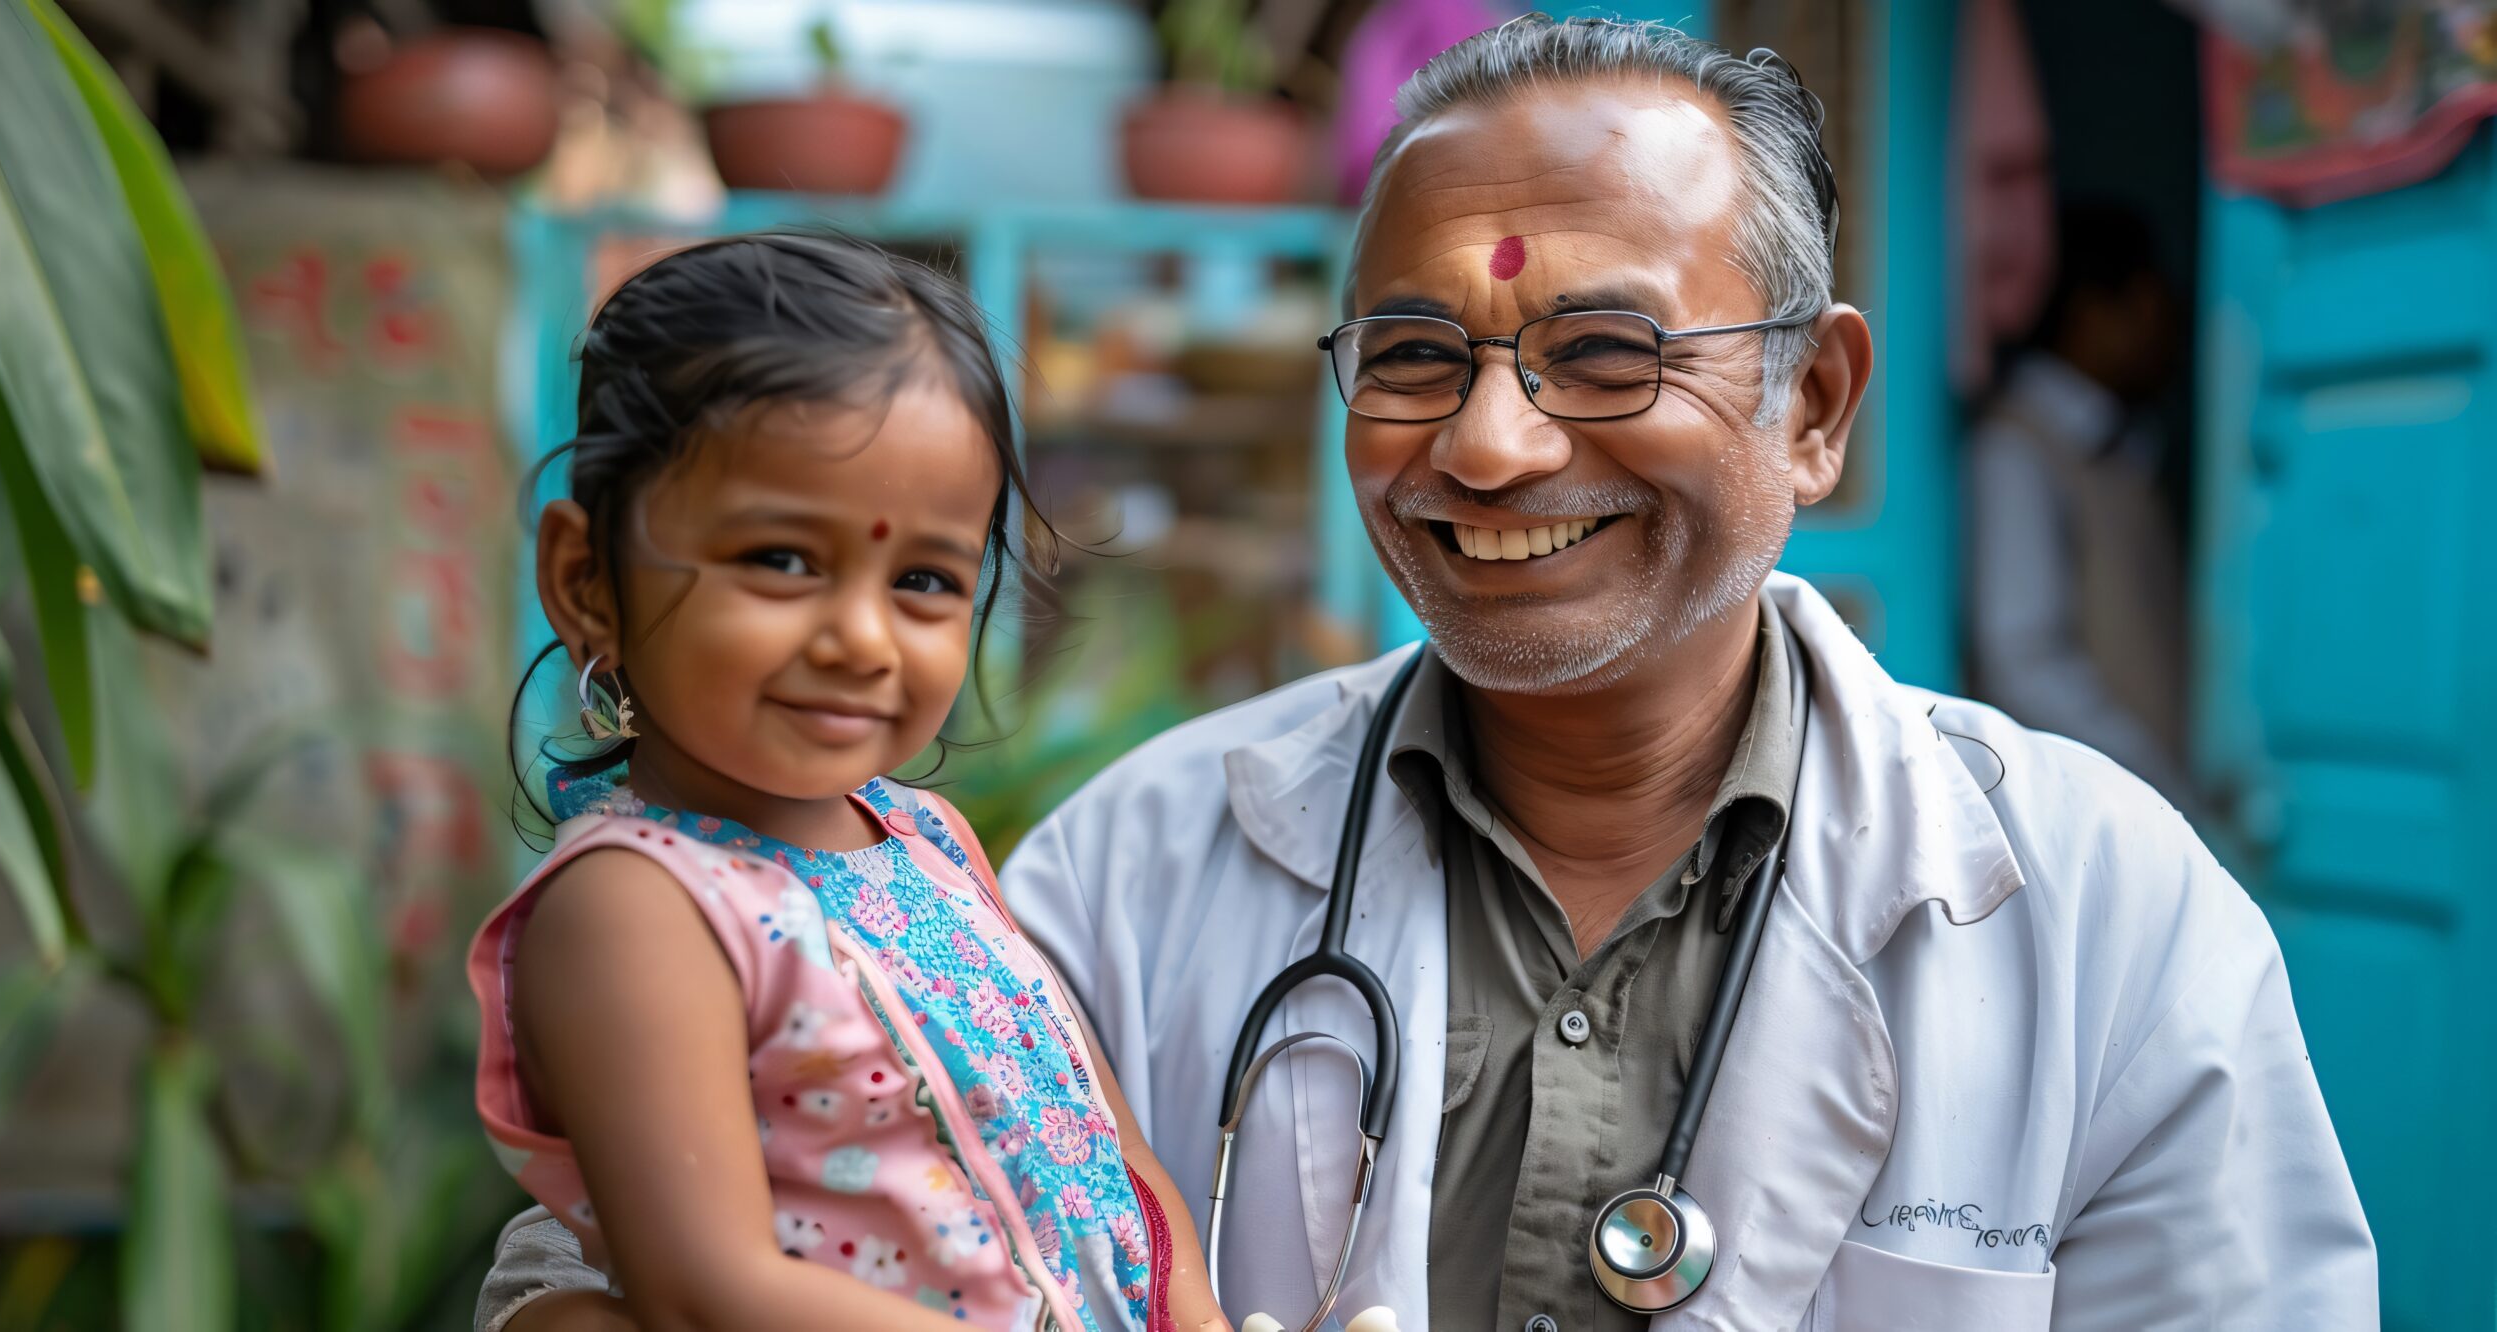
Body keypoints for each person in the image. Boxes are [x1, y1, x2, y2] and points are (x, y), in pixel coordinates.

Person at [481, 18, 2376, 1331]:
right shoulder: (1130, 868)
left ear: (1813, 406)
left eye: (1606, 351)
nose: (1485, 444)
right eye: (1409, 354)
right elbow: (697, 1216)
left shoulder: (2114, 921)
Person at [467, 234, 1224, 1332]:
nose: (862, 640)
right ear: (586, 581)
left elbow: (1103, 1146)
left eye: (922, 579)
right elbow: (709, 1293)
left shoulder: (926, 835)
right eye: (781, 560)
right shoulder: (637, 910)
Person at [1969, 201, 2196, 813]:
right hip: (2098, 823)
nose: (2168, 332)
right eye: (2150, 307)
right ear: (2090, 311)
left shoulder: (2117, 450)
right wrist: (2165, 796)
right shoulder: (2017, 449)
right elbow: (2026, 665)